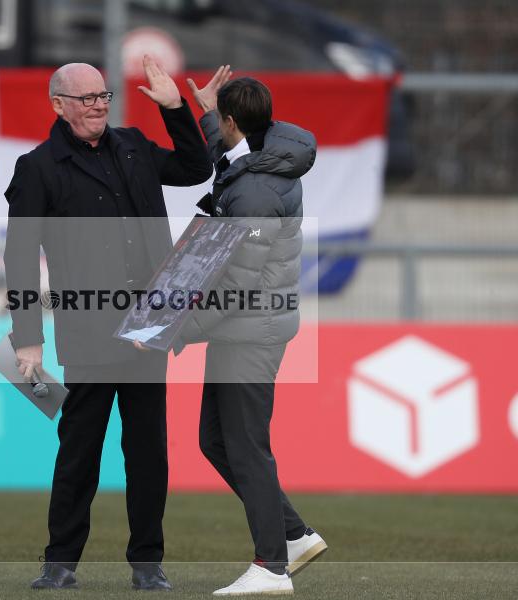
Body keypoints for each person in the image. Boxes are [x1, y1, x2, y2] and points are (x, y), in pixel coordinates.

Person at [3, 57, 212, 591]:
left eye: (103, 97)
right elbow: (20, 257)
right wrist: (28, 339)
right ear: (58, 105)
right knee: (80, 453)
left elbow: (195, 170)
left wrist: (174, 109)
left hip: (149, 328)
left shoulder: (135, 145)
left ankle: (148, 564)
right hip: (88, 331)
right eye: (86, 98)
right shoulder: (38, 167)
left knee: (148, 454)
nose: (98, 106)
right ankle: (60, 562)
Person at [179, 71, 327, 595]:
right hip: (246, 326)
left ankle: (270, 568)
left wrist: (177, 331)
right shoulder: (262, 155)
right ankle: (292, 535)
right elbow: (228, 145)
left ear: (233, 121)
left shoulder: (256, 191)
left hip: (250, 328)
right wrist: (202, 110)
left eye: (217, 118)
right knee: (216, 441)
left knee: (245, 447)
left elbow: (236, 282)